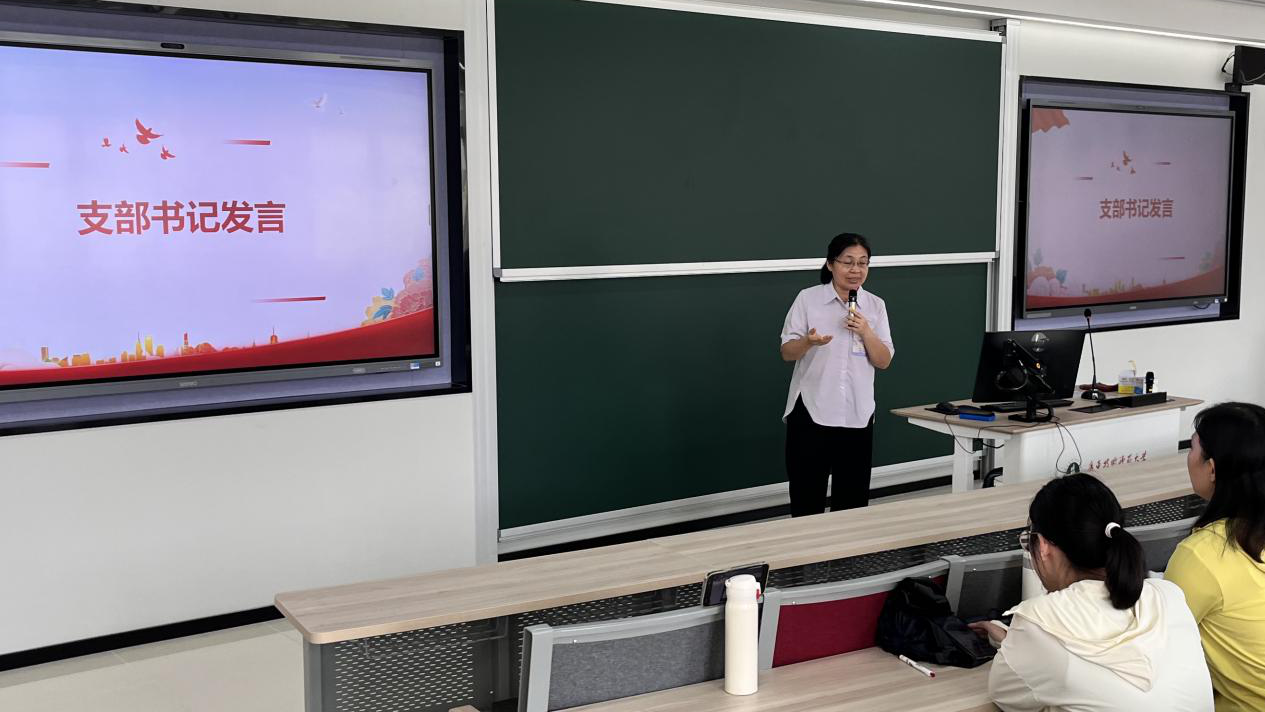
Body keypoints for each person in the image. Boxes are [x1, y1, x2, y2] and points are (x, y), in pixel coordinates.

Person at [971, 473, 1213, 712]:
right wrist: (1017, 643)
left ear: (1043, 546)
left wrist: (1016, 643)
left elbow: (1003, 693)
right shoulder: (1169, 596)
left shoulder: (1039, 622)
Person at [779, 233, 893, 517]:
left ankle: (848, 549)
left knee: (853, 506)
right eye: (848, 262)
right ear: (831, 264)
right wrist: (808, 342)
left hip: (857, 414)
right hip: (812, 411)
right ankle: (806, 548)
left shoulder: (875, 305)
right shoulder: (808, 299)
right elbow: (787, 352)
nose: (856, 270)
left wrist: (866, 331)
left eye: (863, 263)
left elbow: (883, 361)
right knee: (807, 501)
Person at [1165, 402, 1265, 712]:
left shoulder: (1203, 554)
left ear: (1211, 469)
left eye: (1192, 447)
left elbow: (1158, 644)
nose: (1188, 457)